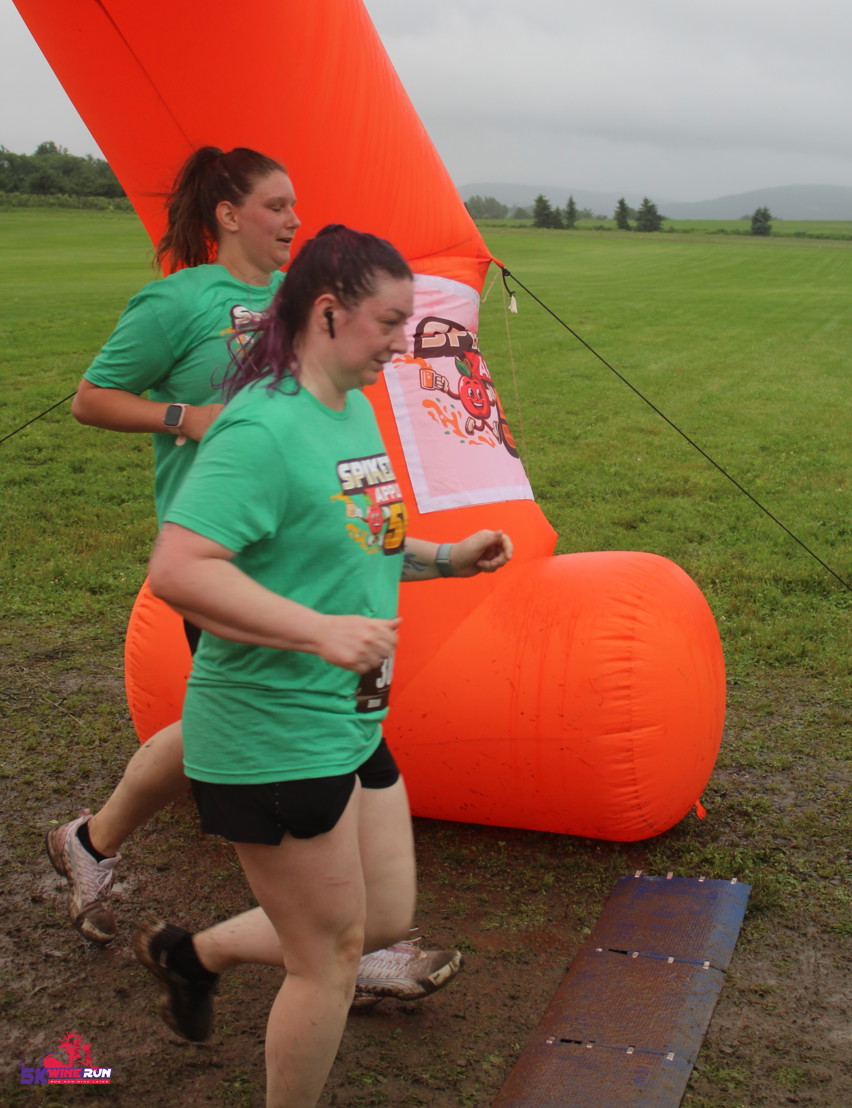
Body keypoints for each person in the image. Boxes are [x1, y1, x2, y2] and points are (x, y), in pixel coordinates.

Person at [46, 147, 460, 1004]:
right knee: (284, 720)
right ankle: (341, 941)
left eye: (296, 207)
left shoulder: (302, 300)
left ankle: (96, 843)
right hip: (228, 556)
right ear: (228, 215)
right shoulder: (176, 302)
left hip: (313, 539)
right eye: (276, 205)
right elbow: (92, 398)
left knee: (250, 720)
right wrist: (186, 416)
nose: (292, 220)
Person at [135, 225, 513, 1107]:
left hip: (348, 716)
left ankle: (194, 956)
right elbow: (179, 570)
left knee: (384, 916)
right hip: (272, 729)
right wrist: (318, 632)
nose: (400, 342)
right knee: (330, 958)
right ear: (329, 312)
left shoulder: (350, 407)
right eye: (389, 321)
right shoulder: (260, 428)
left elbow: (355, 536)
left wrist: (445, 557)